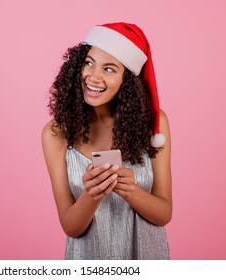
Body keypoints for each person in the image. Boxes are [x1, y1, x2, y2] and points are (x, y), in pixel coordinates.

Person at [42, 22, 172, 260]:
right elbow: (70, 227)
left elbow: (164, 213)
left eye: (109, 69)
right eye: (89, 63)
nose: (93, 76)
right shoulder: (56, 134)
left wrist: (131, 191)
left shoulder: (155, 125)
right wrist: (91, 194)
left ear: (127, 81)